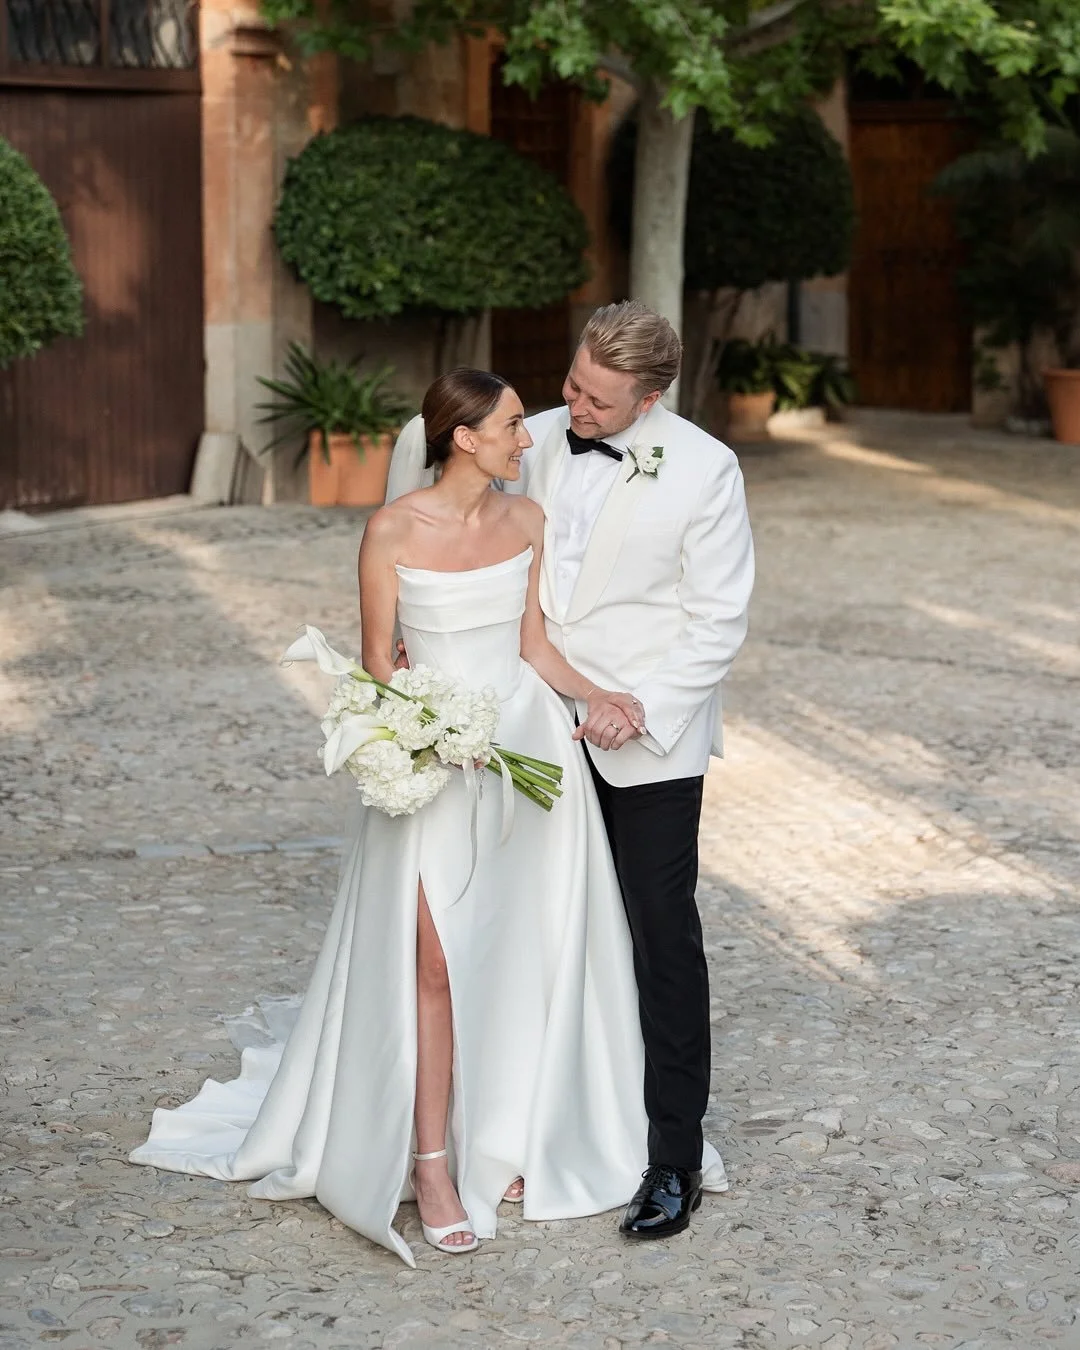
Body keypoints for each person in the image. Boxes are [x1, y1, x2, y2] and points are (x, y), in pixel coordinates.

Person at [130, 368, 722, 1265]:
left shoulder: (527, 520)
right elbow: (374, 669)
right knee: (435, 962)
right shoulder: (390, 530)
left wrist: (608, 699)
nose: (533, 441)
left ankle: (511, 1136)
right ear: (464, 439)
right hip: (433, 760)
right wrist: (420, 734)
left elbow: (535, 646)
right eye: (516, 428)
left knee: (524, 949)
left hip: (525, 754)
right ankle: (433, 1163)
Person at [508, 300, 755, 1239]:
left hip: (649, 737)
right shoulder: (525, 436)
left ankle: (672, 1161)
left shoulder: (705, 468)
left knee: (661, 935)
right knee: (536, 922)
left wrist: (640, 708)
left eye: (600, 404)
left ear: (651, 400)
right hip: (531, 717)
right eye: (572, 384)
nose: (574, 409)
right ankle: (532, 1126)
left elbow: (717, 617)